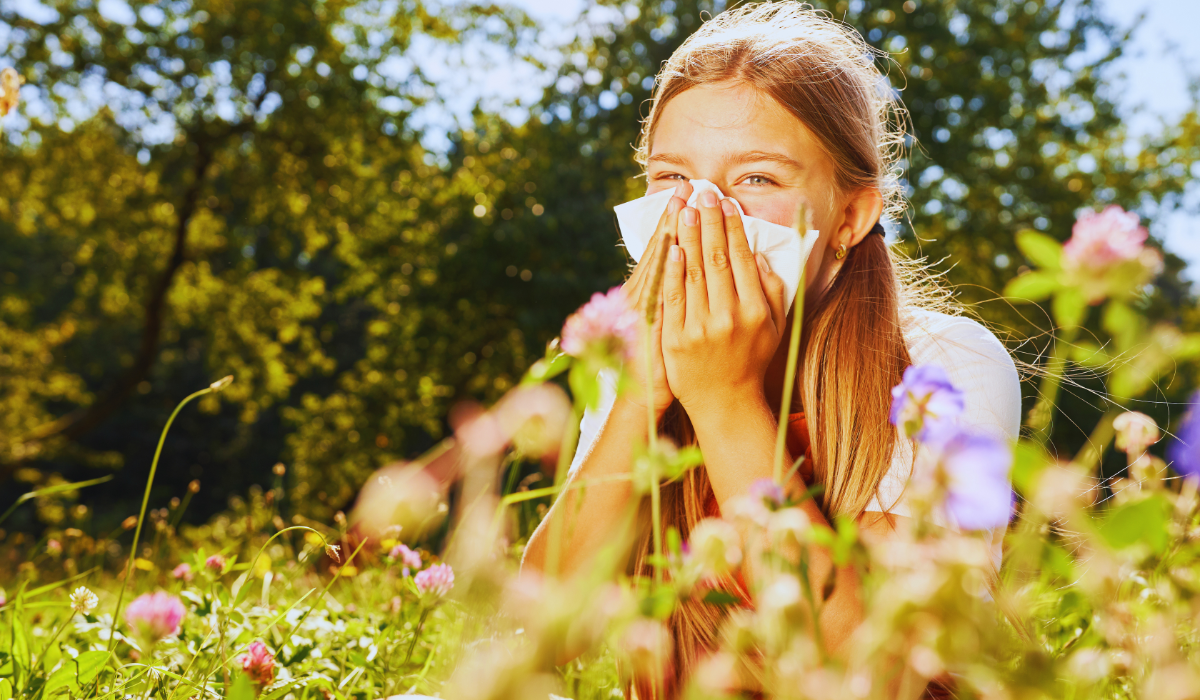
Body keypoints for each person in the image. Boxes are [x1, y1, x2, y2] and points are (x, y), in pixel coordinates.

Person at [522, 2, 1020, 696]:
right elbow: (540, 633)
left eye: (756, 179)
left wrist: (724, 400)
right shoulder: (641, 358)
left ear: (850, 216)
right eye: (670, 179)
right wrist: (642, 397)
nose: (700, 212)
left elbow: (879, 671)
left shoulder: (944, 364)